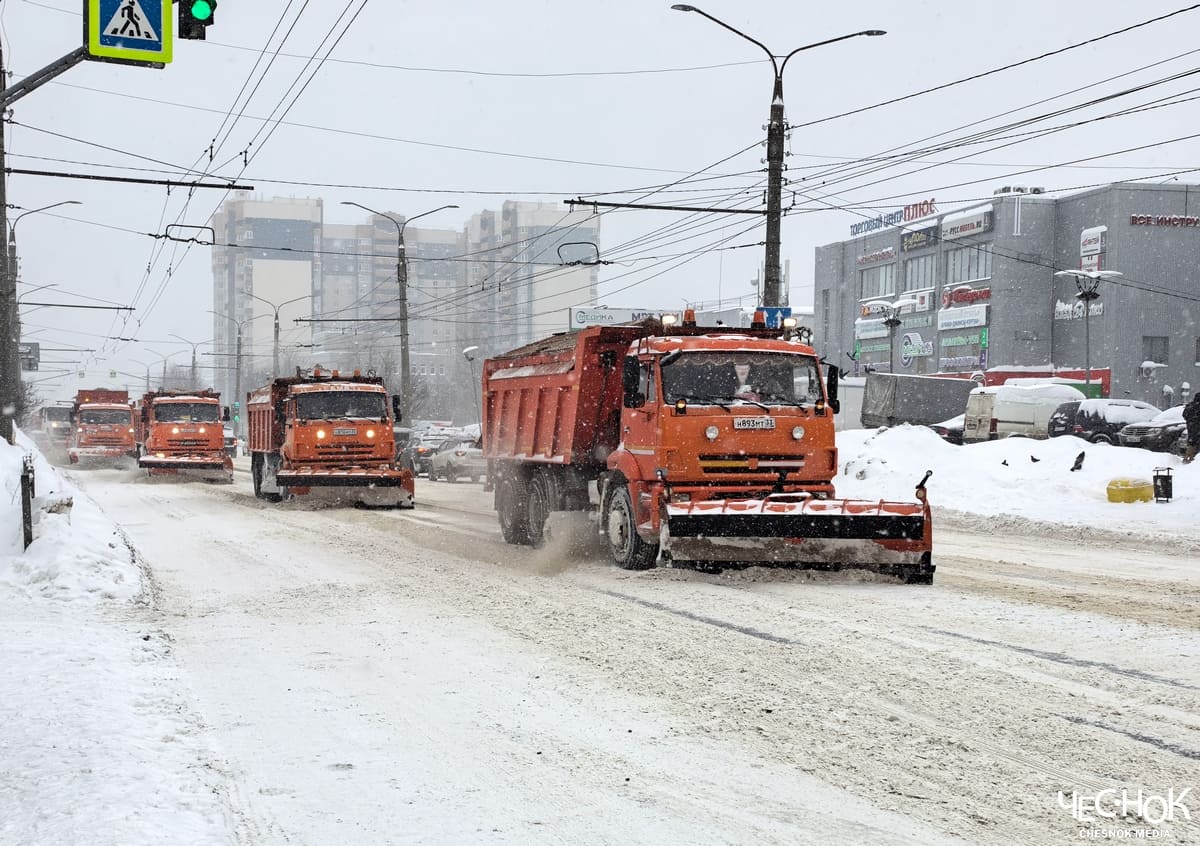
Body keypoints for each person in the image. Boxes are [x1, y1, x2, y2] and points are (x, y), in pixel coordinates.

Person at [1183, 394, 1200, 463]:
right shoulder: (1198, 406)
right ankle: (1193, 460)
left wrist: (1190, 421)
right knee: (1196, 444)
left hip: (1191, 427)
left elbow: (1184, 415)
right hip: (1198, 428)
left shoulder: (1190, 405)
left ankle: (1187, 458)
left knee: (1191, 443)